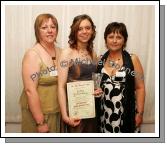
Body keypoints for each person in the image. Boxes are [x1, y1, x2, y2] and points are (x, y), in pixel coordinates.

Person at [96, 22, 145, 133]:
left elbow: (140, 88)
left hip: (126, 115)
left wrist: (140, 113)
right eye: (111, 37)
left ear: (124, 40)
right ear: (105, 40)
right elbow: (97, 86)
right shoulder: (100, 60)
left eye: (119, 37)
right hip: (105, 115)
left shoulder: (133, 60)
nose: (114, 40)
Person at [58, 14, 101, 133]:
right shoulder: (67, 53)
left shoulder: (93, 53)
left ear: (92, 31)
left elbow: (94, 81)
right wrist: (65, 115)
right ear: (74, 32)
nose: (84, 32)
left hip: (90, 109)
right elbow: (61, 87)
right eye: (80, 29)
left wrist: (98, 91)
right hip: (74, 110)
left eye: (88, 28)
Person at [19, 13, 61, 133]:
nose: (49, 31)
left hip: (56, 112)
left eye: (53, 27)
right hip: (38, 115)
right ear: (37, 31)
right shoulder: (32, 55)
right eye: (44, 27)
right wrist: (40, 122)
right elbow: (30, 90)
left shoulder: (61, 52)